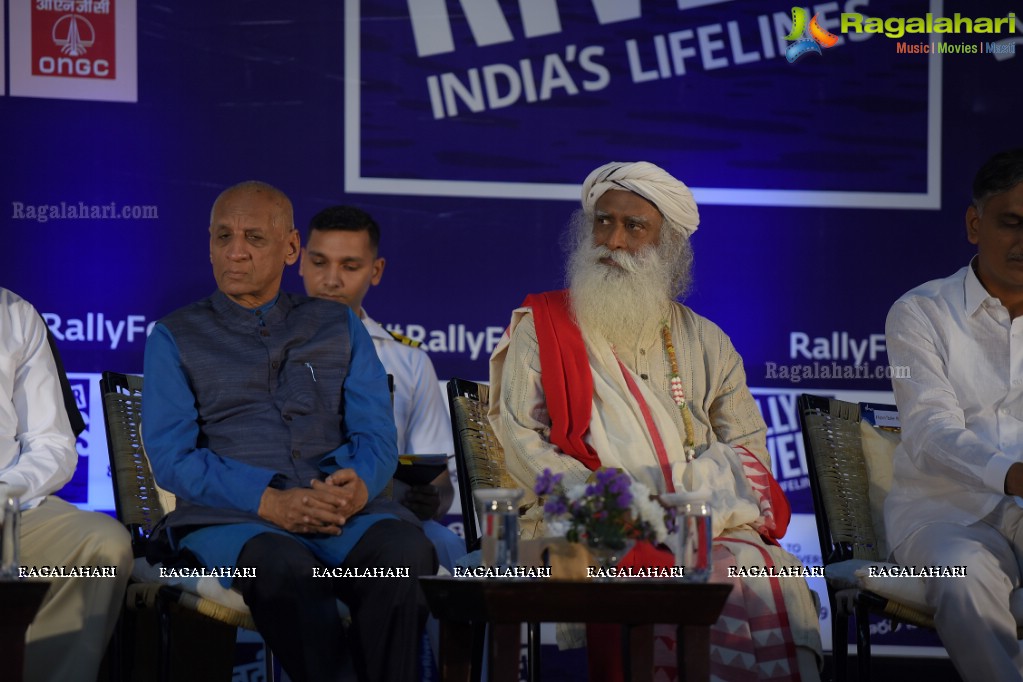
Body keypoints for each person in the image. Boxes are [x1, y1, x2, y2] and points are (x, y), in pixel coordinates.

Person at [489, 161, 821, 681]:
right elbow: (520, 437)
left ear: (669, 247)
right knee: (653, 564)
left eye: (634, 227)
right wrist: (614, 504)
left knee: (752, 571)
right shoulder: (543, 327)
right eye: (603, 222)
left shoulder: (706, 341)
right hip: (584, 516)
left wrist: (692, 498)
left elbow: (750, 451)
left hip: (700, 522)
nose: (613, 241)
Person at [142, 181, 436, 682]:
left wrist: (357, 484)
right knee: (282, 565)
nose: (235, 252)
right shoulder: (175, 335)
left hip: (341, 516)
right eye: (222, 236)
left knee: (405, 553)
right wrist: (269, 502)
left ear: (291, 247)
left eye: (254, 237)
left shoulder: (339, 327)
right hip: (234, 522)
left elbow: (376, 435)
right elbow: (173, 458)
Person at [885, 148, 1023, 682]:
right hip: (944, 515)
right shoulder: (920, 312)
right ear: (974, 223)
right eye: (1012, 222)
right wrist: (1009, 474)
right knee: (963, 579)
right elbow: (927, 429)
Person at [299, 205, 464, 570]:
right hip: (293, 518)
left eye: (350, 266)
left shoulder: (409, 362)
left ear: (376, 271)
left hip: (386, 521)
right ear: (300, 261)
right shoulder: (266, 348)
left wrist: (431, 499)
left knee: (446, 547)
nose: (331, 280)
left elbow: (440, 482)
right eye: (320, 262)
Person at [0, 286, 133, 682]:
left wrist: (5, 498)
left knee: (102, 549)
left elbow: (52, 442)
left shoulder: (16, 314)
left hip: (11, 511)